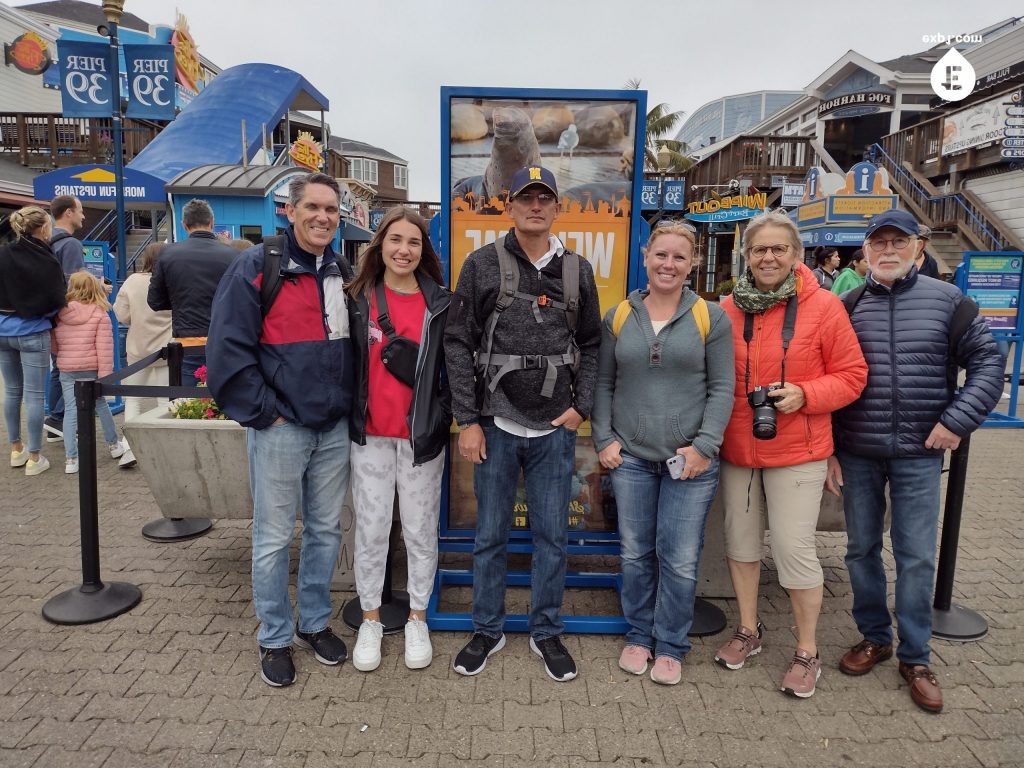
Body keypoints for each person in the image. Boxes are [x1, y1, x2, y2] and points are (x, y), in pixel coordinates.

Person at [828, 209, 1004, 714]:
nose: (887, 250)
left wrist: (958, 419)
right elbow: (830, 376)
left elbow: (989, 362)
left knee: (916, 555)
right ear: (864, 253)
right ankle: (874, 637)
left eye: (898, 242)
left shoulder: (950, 302)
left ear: (919, 249)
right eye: (877, 242)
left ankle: (915, 655)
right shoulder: (848, 305)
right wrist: (831, 451)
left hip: (920, 452)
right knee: (861, 549)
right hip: (858, 451)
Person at [445, 165, 602, 682]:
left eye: (546, 198)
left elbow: (593, 344)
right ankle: (487, 629)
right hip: (495, 425)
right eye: (526, 197)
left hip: (555, 428)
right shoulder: (480, 265)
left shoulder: (577, 270)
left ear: (558, 208)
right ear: (508, 205)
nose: (536, 206)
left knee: (552, 536)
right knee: (489, 535)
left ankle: (546, 631)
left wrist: (581, 409)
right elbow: (457, 342)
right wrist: (468, 419)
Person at [206, 173, 355, 688]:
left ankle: (313, 622)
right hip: (281, 428)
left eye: (331, 209)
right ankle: (274, 635)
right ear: (289, 211)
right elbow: (227, 348)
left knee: (325, 530)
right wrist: (263, 412)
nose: (323, 217)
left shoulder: (341, 269)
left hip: (333, 427)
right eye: (312, 207)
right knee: (271, 537)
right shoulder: (256, 265)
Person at [715, 211, 867, 698]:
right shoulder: (726, 308)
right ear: (747, 255)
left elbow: (852, 375)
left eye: (779, 248)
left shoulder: (824, 307)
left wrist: (806, 393)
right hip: (738, 449)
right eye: (759, 249)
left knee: (793, 551)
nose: (769, 257)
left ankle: (806, 651)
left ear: (796, 255)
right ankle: (749, 630)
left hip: (799, 450)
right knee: (740, 546)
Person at [591, 223, 734, 685]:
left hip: (690, 460)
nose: (668, 265)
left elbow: (722, 388)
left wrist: (705, 446)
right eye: (661, 255)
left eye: (678, 257)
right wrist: (604, 438)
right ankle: (638, 634)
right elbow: (604, 383)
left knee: (679, 557)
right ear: (645, 255)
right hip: (630, 458)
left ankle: (671, 642)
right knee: (634, 552)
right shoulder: (617, 316)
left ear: (691, 263)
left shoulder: (710, 318)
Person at [348, 208, 451, 672]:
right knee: (370, 531)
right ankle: (370, 619)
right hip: (369, 435)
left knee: (419, 531)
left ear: (423, 250)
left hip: (420, 439)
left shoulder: (443, 304)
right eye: (395, 240)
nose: (403, 250)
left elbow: (455, 371)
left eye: (413, 241)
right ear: (380, 244)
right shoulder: (357, 298)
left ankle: (416, 617)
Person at [0, 206, 66, 476]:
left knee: (12, 392)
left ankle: (16, 449)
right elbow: (56, 298)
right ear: (43, 228)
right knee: (35, 396)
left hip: (3, 331)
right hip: (33, 331)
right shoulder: (46, 259)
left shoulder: (3, 253)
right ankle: (35, 457)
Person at [148, 199, 236, 385]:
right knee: (226, 403)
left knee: (187, 403)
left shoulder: (168, 254)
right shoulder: (233, 255)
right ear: (211, 223)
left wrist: (180, 302)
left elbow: (154, 301)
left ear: (184, 225)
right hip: (224, 340)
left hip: (187, 341)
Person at [51, 272, 124, 474]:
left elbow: (54, 346)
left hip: (67, 368)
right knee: (101, 405)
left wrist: (65, 356)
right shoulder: (100, 314)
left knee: (71, 410)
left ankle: (71, 458)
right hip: (91, 369)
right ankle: (114, 445)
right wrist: (104, 377)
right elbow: (105, 350)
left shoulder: (59, 315)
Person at [112, 242, 173, 468]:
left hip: (138, 350)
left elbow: (121, 314)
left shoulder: (132, 281)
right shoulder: (172, 281)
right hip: (167, 350)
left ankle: (130, 448)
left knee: (133, 400)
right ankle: (165, 448)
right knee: (165, 402)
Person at [44, 194, 87, 443]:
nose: (83, 216)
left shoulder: (47, 242)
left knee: (58, 368)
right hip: (68, 317)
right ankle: (59, 416)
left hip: (50, 314)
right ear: (68, 213)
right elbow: (76, 284)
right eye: (80, 211)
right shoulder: (70, 245)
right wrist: (98, 289)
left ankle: (54, 424)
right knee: (75, 369)